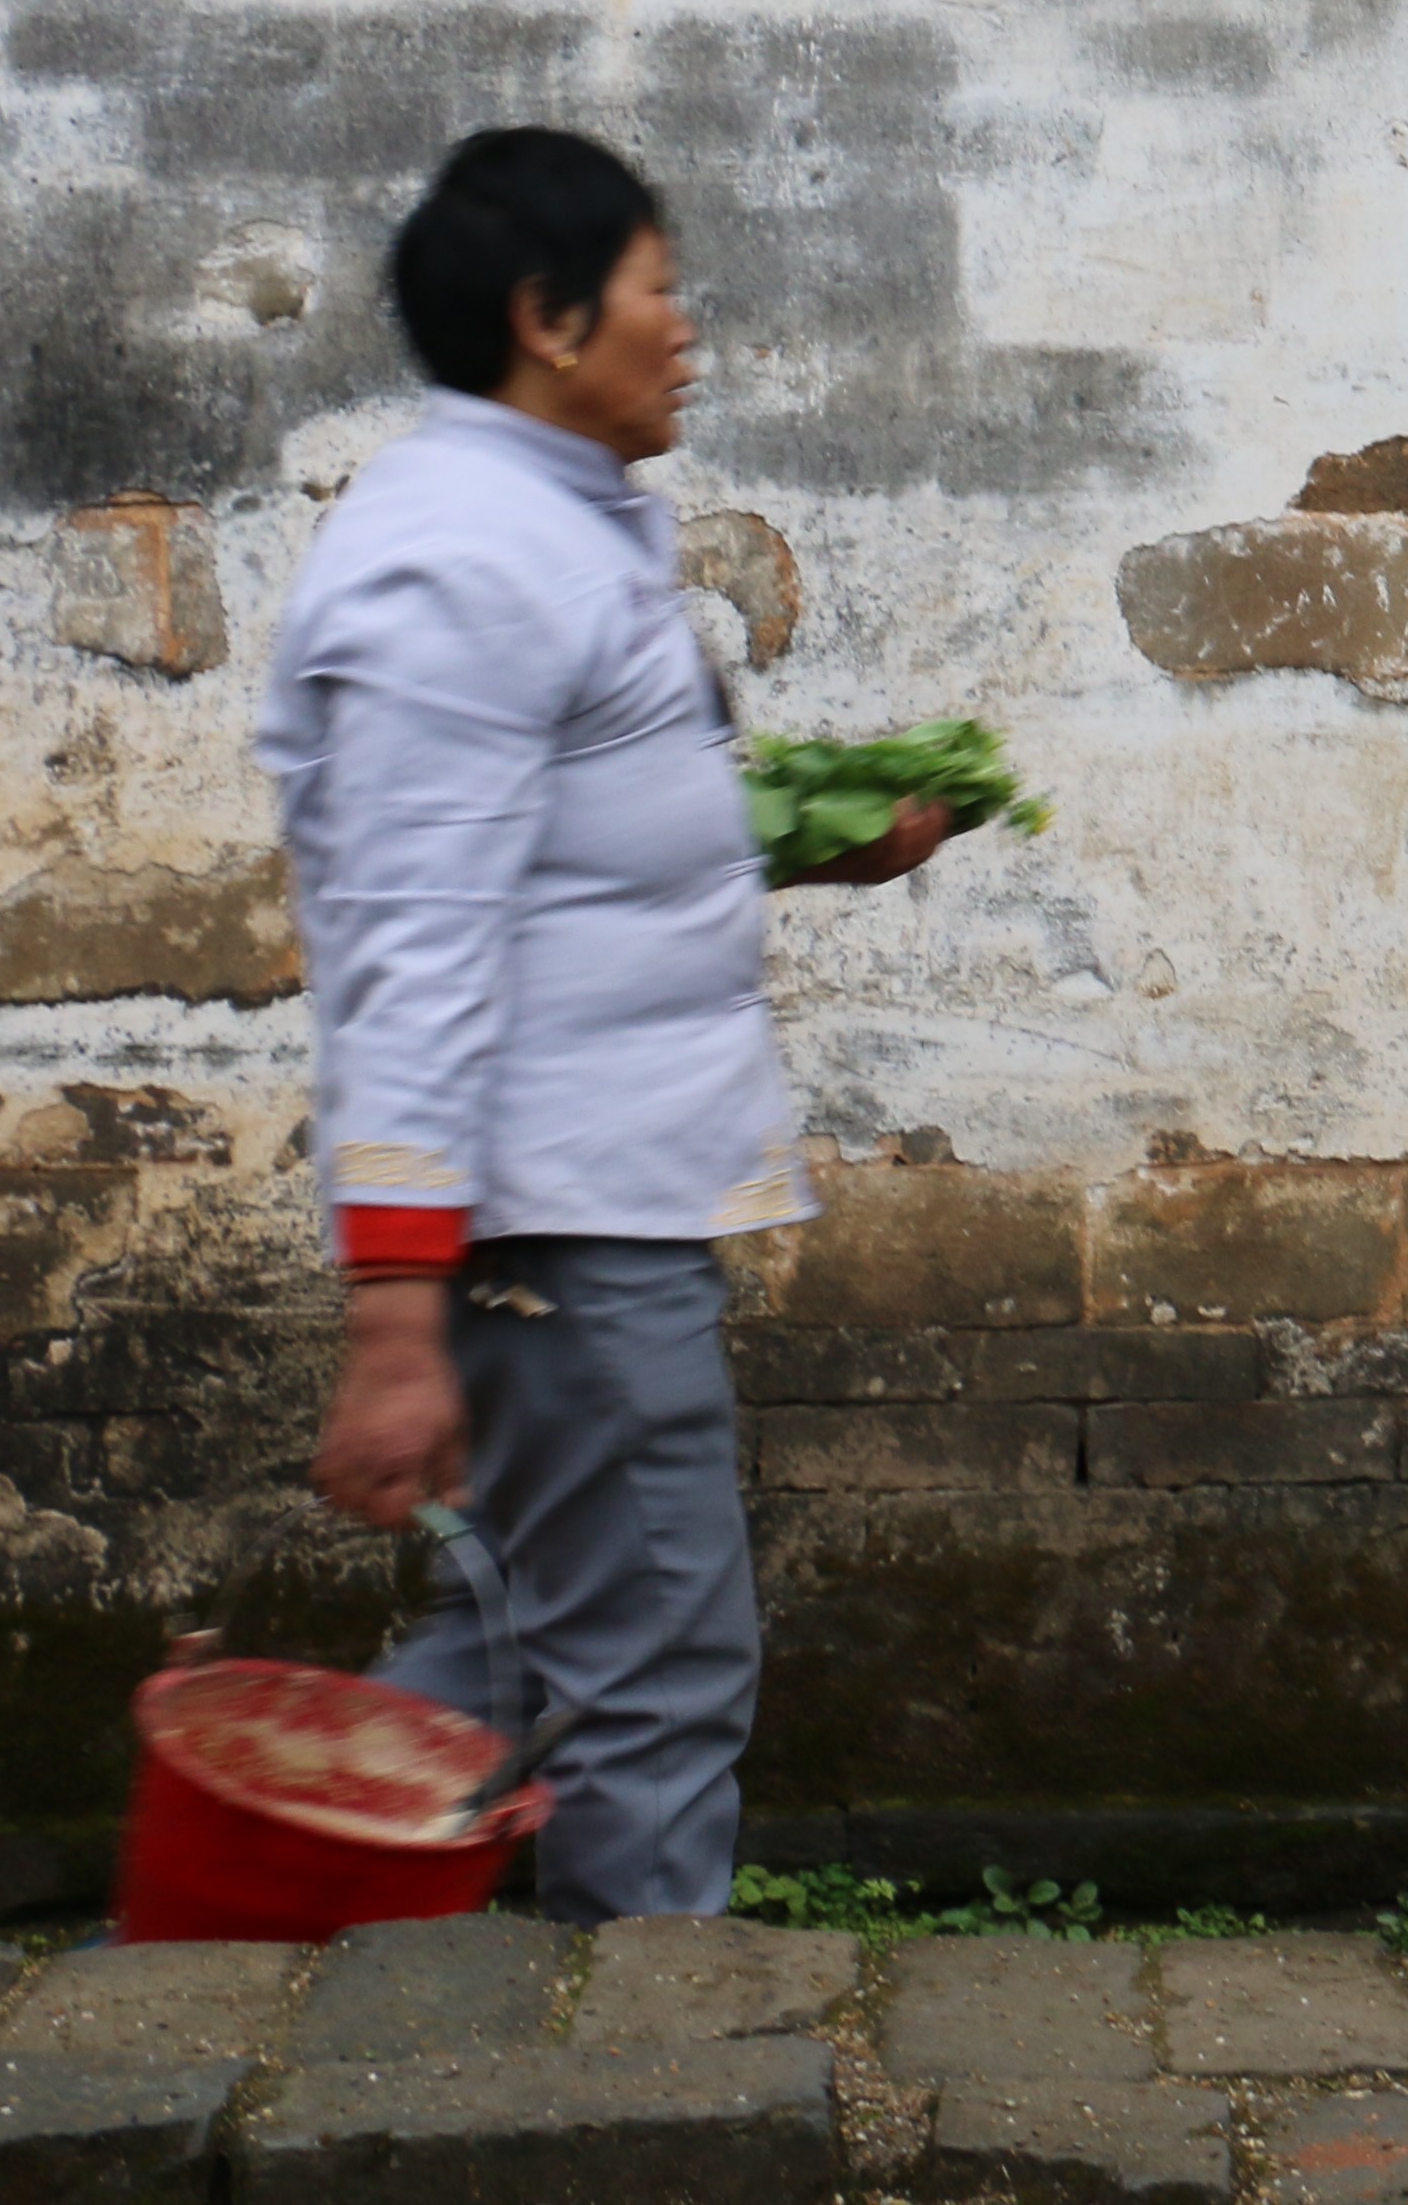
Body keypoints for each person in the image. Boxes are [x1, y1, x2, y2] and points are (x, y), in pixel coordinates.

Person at [256, 126, 946, 1921]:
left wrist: (814, 842)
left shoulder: (552, 528)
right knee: (651, 1680)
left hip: (583, 1211)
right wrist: (393, 1321)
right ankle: (632, 2094)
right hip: (557, 1226)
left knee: (518, 1656)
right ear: (552, 320)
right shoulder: (463, 569)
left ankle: (220, 1960)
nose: (686, 328)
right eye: (658, 287)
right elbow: (414, 944)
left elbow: (579, 849)